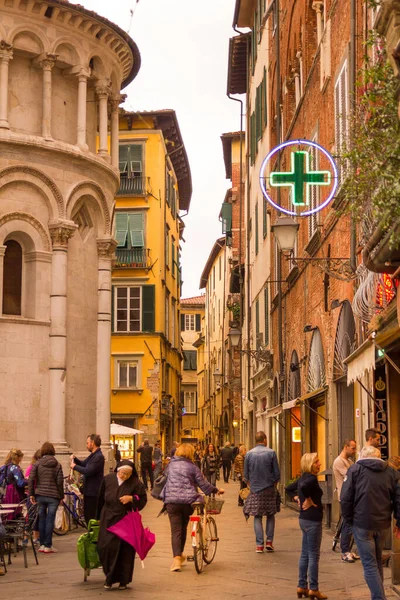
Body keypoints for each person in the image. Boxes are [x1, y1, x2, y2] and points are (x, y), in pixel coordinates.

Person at [341, 445, 400, 600]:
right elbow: (398, 498)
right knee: (377, 560)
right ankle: (378, 595)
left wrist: (348, 520)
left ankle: (379, 598)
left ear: (362, 456)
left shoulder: (355, 470)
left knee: (369, 563)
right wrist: (398, 521)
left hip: (361, 523)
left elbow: (346, 497)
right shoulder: (391, 472)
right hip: (383, 523)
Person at [161, 443, 224, 572]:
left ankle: (177, 559)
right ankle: (179, 555)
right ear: (190, 453)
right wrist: (216, 489)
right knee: (183, 527)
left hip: (172, 501)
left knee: (176, 530)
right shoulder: (193, 467)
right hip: (188, 502)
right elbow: (204, 485)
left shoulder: (170, 465)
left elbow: (163, 480)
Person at [97, 460, 147, 590]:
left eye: (127, 474)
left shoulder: (136, 483)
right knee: (104, 547)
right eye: (122, 473)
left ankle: (122, 581)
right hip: (107, 518)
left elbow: (142, 499)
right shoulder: (108, 479)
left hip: (125, 520)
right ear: (118, 470)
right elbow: (100, 498)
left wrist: (131, 499)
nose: (124, 476)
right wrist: (97, 517)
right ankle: (109, 575)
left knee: (124, 552)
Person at [286, 453, 327, 600]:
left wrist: (296, 497)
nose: (319, 464)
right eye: (316, 462)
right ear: (310, 464)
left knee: (305, 553)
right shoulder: (310, 478)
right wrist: (308, 499)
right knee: (313, 555)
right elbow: (302, 487)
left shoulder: (303, 477)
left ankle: (301, 585)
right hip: (313, 520)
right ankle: (314, 588)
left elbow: (288, 488)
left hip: (304, 519)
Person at [243, 431, 280, 553]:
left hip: (255, 489)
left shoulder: (248, 454)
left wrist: (251, 485)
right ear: (264, 439)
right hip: (269, 488)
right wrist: (274, 484)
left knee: (257, 516)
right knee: (270, 514)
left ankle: (259, 545)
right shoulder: (271, 453)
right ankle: (269, 542)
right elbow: (277, 473)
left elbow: (246, 475)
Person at [28, 442, 64, 554]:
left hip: (40, 495)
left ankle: (42, 544)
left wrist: (31, 494)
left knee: (42, 519)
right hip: (53, 496)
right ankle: (48, 545)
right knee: (50, 520)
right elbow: (59, 482)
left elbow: (31, 479)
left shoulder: (37, 464)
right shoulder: (57, 465)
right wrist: (61, 496)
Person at [333, 439, 359, 563]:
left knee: (350, 523)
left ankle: (348, 550)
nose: (354, 451)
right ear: (346, 447)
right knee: (347, 524)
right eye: (353, 448)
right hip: (345, 497)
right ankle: (345, 552)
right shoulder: (338, 461)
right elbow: (351, 477)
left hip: (351, 497)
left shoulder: (349, 461)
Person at [70, 433, 105, 525]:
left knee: (91, 516)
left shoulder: (98, 457)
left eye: (87, 443)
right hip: (89, 491)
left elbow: (88, 471)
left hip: (93, 492)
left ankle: (94, 535)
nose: (86, 445)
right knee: (87, 515)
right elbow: (84, 463)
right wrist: (75, 459)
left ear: (92, 443)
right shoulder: (93, 455)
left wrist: (74, 467)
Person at [2, 448, 27, 514]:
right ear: (17, 457)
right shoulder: (15, 468)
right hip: (14, 491)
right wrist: (29, 480)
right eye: (20, 458)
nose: (20, 460)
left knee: (8, 512)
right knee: (14, 512)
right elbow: (20, 483)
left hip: (7, 491)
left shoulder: (6, 466)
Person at [25, 449, 42, 545]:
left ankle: (36, 537)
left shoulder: (36, 467)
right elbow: (28, 481)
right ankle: (27, 536)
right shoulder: (31, 468)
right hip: (32, 495)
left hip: (37, 494)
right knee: (32, 516)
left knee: (37, 516)